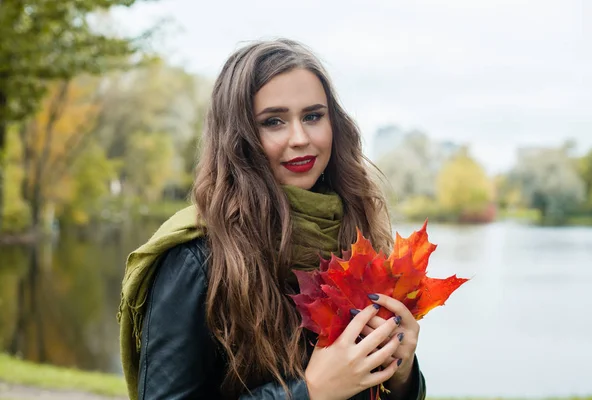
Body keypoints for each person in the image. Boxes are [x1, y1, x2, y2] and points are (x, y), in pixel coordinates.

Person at [118, 38, 426, 400]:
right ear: (238, 138)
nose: (300, 138)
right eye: (273, 121)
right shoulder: (196, 259)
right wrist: (309, 393)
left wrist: (402, 374)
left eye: (313, 116)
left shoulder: (353, 234)